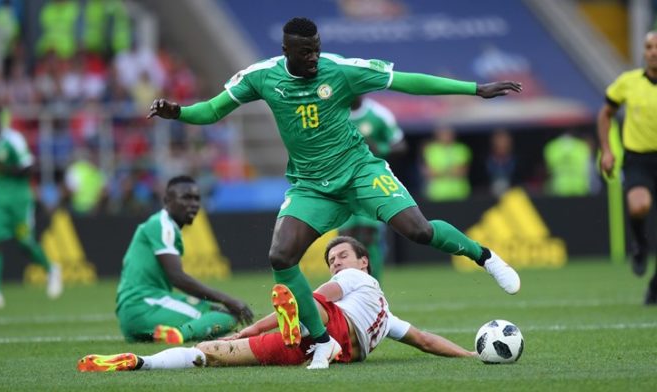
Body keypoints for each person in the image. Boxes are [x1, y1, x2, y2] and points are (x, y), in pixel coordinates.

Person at [147, 17, 521, 369]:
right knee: (281, 256)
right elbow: (212, 110)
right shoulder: (261, 77)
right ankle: (322, 339)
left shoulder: (340, 69)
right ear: (286, 50)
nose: (314, 57)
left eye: (317, 49)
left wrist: (473, 89)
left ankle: (484, 256)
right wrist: (178, 112)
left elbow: (405, 80)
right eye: (305, 52)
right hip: (311, 186)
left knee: (418, 231)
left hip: (359, 171)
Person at [77, 236, 476, 372]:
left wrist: (252, 326)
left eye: (341, 256)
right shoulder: (384, 316)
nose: (337, 262)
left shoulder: (357, 280)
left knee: (304, 295)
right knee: (210, 354)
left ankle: (310, 335)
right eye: (332, 260)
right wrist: (468, 356)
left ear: (363, 260)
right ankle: (141, 363)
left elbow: (423, 339)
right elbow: (424, 339)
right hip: (313, 347)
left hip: (328, 327)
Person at [115, 175, 254, 343]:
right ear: (167, 200)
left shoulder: (163, 225)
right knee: (228, 317)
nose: (193, 204)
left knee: (214, 311)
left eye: (197, 199)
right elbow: (178, 278)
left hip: (137, 309)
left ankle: (164, 331)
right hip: (144, 304)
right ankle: (179, 334)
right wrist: (229, 300)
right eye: (186, 198)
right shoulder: (162, 225)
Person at [0, 104, 63, 310]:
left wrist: (1, 167)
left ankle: (52, 269)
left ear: (1, 121)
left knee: (24, 242)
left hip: (19, 199)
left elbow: (29, 168)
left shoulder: (13, 140)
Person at [597, 31, 657, 305]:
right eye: (649, 47)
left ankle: (654, 287)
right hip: (638, 159)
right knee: (638, 206)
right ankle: (640, 245)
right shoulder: (628, 82)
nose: (654, 51)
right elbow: (605, 113)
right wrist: (607, 151)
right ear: (644, 52)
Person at [338, 96, 407, 282]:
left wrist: (379, 148)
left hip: (371, 181)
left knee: (369, 235)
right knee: (345, 238)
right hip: (342, 183)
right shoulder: (334, 111)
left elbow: (401, 145)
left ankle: (374, 287)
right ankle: (348, 287)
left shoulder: (378, 114)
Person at [420, 126, 472, 201]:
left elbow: (462, 171)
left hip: (459, 192)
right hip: (437, 194)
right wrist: (450, 170)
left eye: (448, 134)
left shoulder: (462, 149)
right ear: (438, 135)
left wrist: (440, 171)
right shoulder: (430, 149)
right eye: (443, 134)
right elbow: (429, 173)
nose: (446, 136)